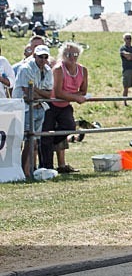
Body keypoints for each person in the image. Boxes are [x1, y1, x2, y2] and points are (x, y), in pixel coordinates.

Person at [40, 42, 88, 173]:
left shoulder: (83, 70)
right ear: (62, 55)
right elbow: (58, 92)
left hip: (65, 105)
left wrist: (72, 96)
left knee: (69, 126)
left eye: (75, 54)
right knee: (46, 134)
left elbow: (83, 90)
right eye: (68, 54)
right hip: (52, 104)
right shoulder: (58, 69)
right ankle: (47, 167)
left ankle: (48, 145)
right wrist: (75, 97)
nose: (72, 57)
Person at [12, 45, 53, 179]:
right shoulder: (26, 69)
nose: (43, 59)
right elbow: (28, 92)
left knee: (33, 141)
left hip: (39, 107)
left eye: (45, 57)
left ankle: (27, 171)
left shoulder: (48, 70)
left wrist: (37, 92)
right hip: (24, 108)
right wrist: (39, 93)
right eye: (40, 56)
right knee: (25, 141)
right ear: (34, 56)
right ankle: (24, 172)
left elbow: (49, 94)